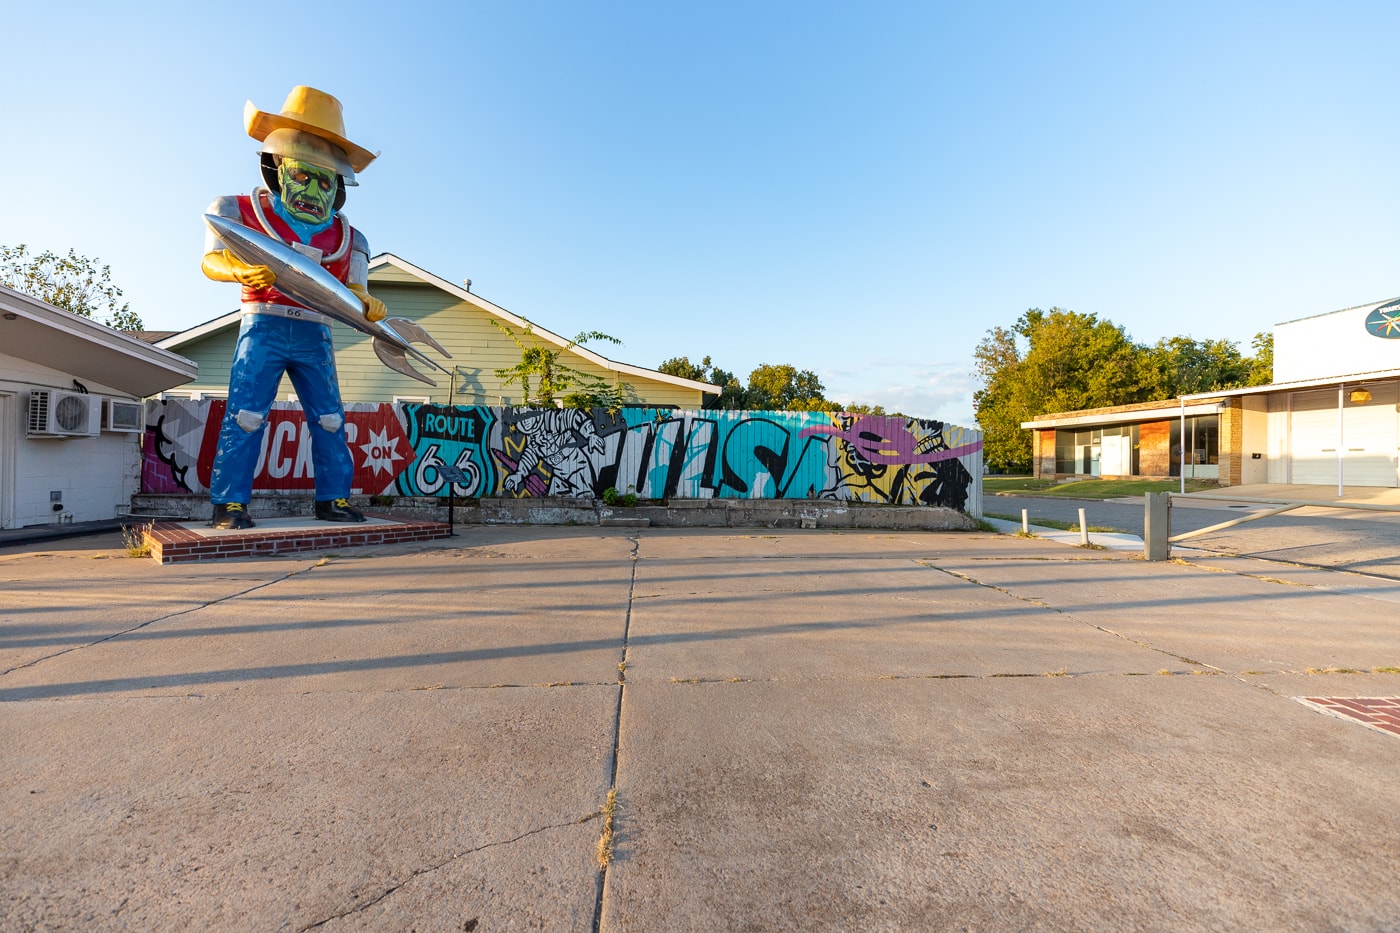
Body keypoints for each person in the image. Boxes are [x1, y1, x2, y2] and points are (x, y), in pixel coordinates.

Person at [202, 86, 387, 530]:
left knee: (328, 419)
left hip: (315, 332)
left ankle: (334, 498)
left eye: (324, 180)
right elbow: (210, 261)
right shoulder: (235, 210)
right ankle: (229, 502)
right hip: (262, 326)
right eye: (302, 174)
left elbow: (356, 289)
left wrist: (368, 302)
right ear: (277, 167)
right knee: (246, 415)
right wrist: (239, 273)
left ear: (339, 185)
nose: (312, 189)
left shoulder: (351, 238)